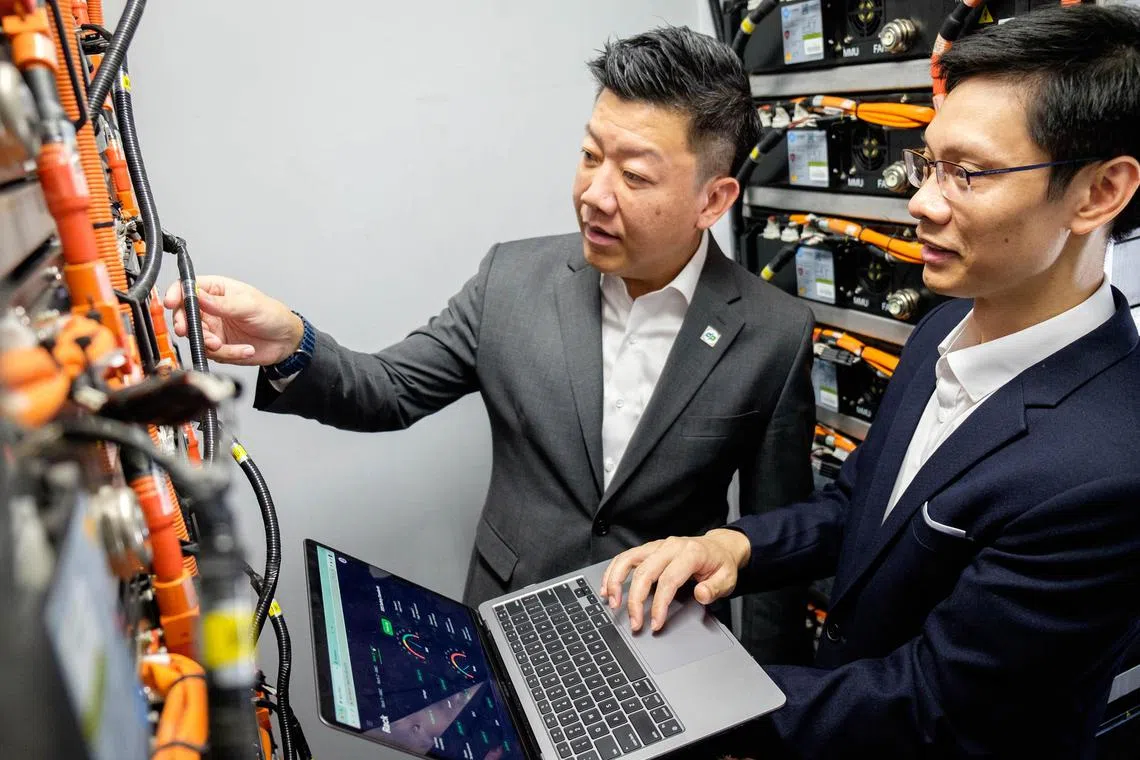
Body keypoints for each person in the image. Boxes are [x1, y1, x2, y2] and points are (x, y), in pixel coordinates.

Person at [164, 26, 817, 663]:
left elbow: (776, 547)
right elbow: (389, 390)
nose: (594, 195)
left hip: (665, 650)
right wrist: (292, 342)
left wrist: (770, 700)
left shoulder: (774, 335)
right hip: (504, 635)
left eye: (635, 176)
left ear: (713, 200)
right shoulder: (511, 279)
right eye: (591, 156)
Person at [599, 5, 1140, 758]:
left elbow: (933, 706)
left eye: (968, 174)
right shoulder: (939, 332)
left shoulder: (1109, 470)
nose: (920, 202)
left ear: (1099, 193)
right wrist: (733, 547)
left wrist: (678, 701)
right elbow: (864, 505)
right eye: (929, 164)